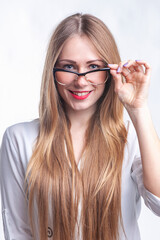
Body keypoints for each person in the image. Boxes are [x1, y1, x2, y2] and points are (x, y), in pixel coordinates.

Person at [0, 13, 160, 240]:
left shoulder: (132, 139)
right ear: (53, 71)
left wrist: (138, 108)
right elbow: (18, 232)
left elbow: (158, 203)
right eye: (69, 67)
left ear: (110, 71)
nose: (81, 80)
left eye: (93, 66)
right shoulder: (19, 139)